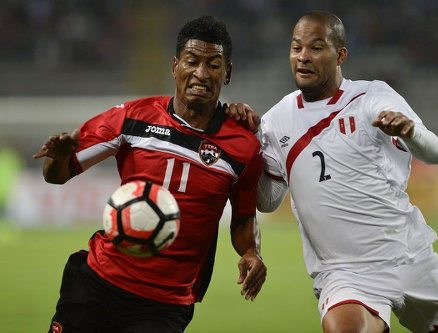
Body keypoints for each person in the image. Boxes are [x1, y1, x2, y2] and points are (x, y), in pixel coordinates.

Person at [227, 10, 438, 333]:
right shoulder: (277, 120)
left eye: (315, 48)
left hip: (408, 256)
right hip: (344, 272)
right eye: (296, 47)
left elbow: (435, 153)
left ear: (340, 54)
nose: (303, 57)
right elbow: (269, 201)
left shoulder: (371, 96)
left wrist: (411, 132)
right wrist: (253, 143)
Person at [33, 16, 266, 333]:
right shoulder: (132, 118)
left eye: (213, 65)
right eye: (192, 61)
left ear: (227, 73)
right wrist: (57, 159)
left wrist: (251, 251)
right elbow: (57, 175)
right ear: (175, 66)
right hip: (97, 285)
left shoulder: (243, 147)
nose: (201, 73)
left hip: (164, 306)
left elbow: (242, 219)